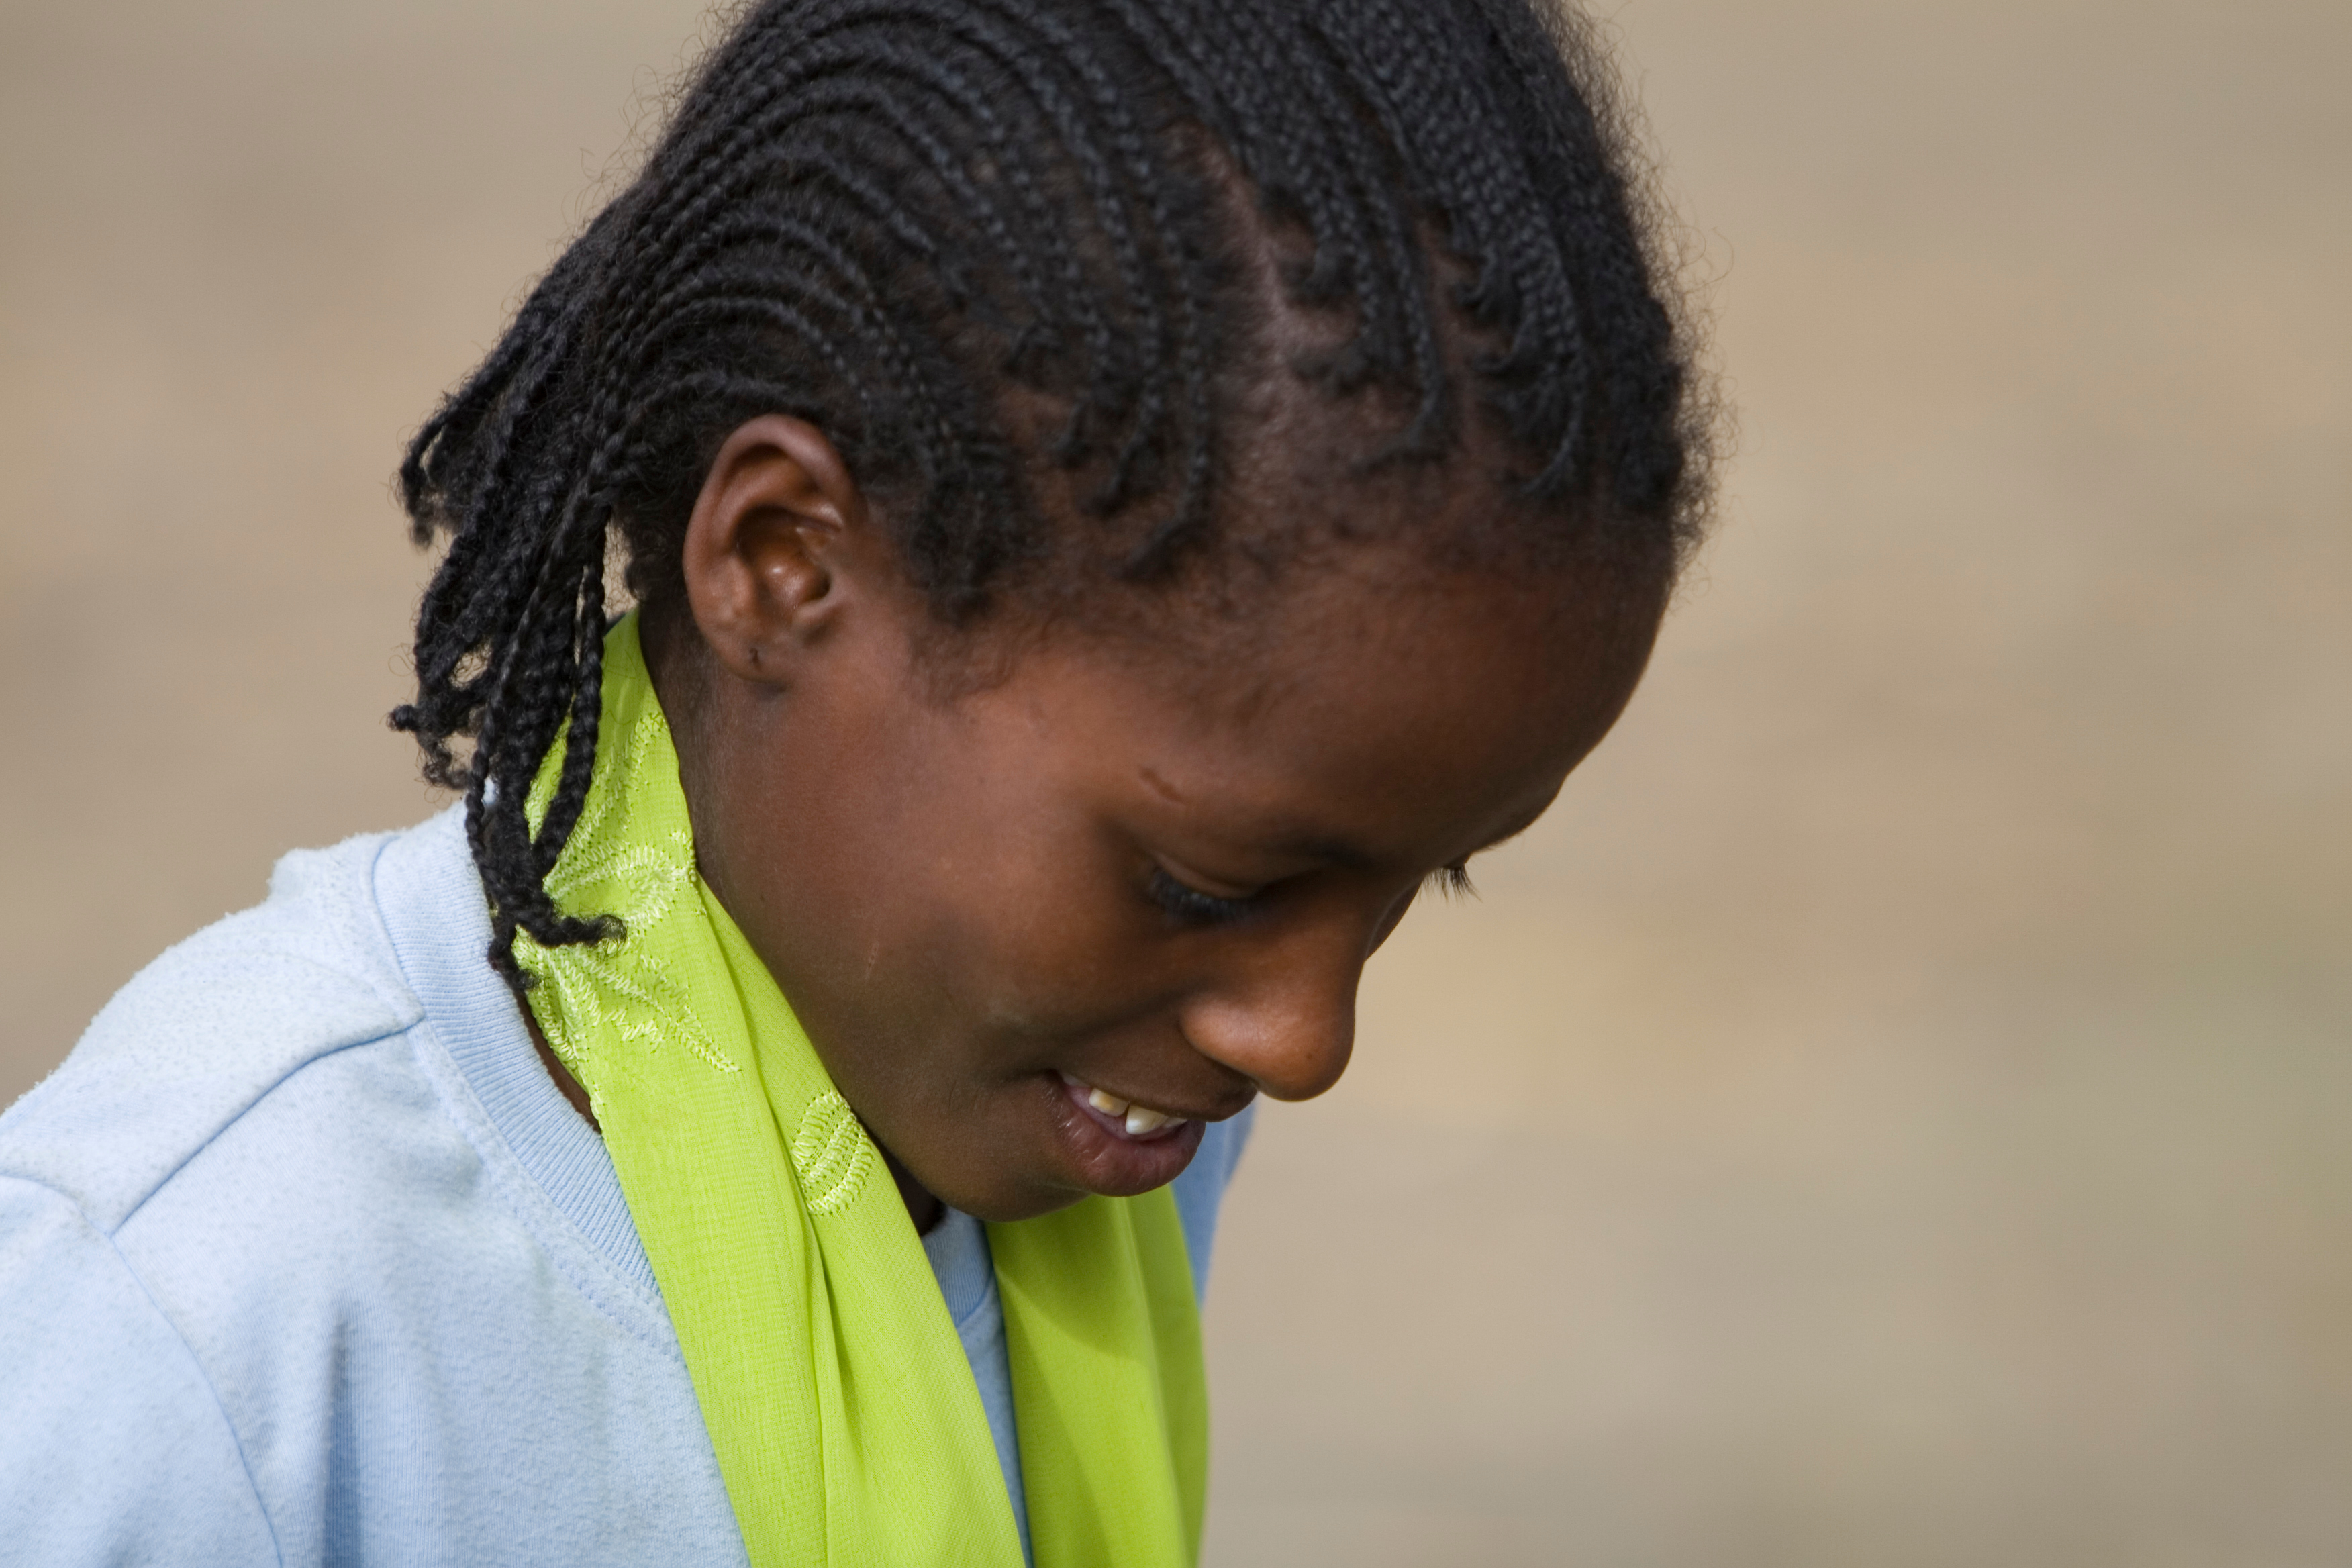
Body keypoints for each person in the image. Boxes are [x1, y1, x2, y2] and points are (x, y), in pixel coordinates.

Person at [0, 0, 1712, 1562]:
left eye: (1430, 878)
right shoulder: (203, 1325)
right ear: (781, 565)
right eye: (1209, 886)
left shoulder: (1092, 1128)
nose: (1304, 1040)